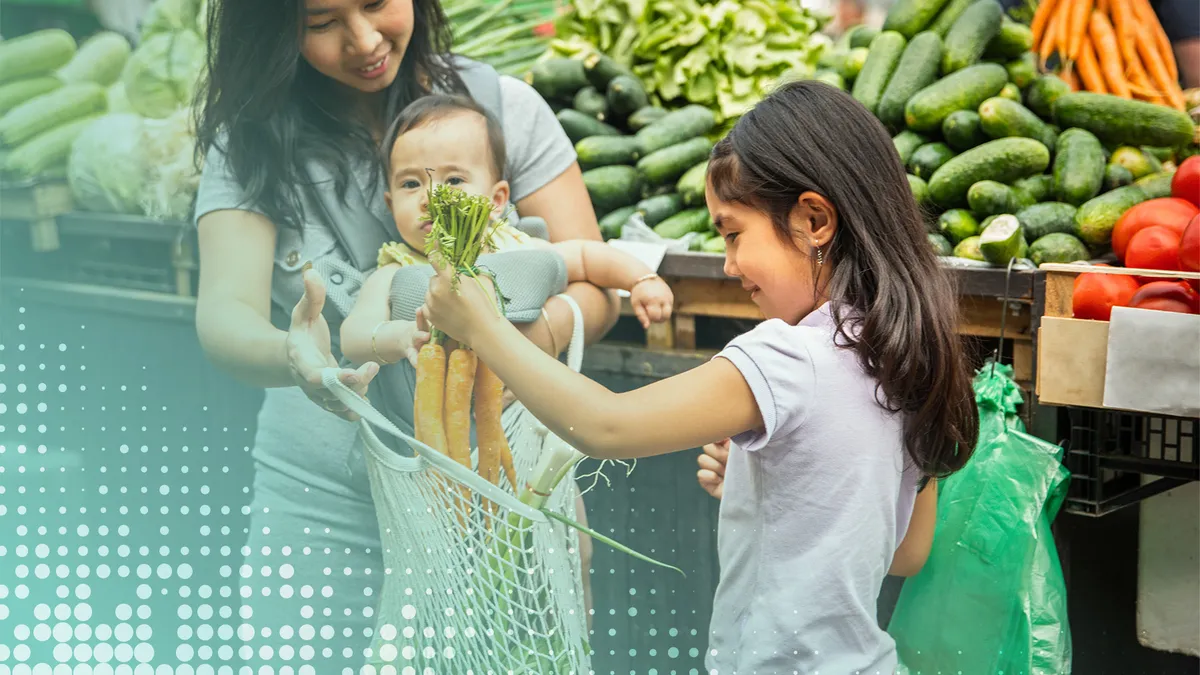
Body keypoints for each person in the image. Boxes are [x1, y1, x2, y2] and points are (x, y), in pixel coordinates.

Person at [422, 80, 980, 673]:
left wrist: (482, 327)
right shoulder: (901, 356)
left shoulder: (787, 357)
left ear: (814, 219)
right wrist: (768, 490)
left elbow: (608, 426)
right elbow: (904, 552)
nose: (729, 264)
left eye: (734, 233)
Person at [191, 0, 619, 669]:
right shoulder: (250, 138)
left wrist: (527, 343)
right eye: (320, 22)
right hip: (323, 507)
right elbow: (224, 317)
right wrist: (297, 353)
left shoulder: (504, 107)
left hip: (508, 497)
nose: (363, 41)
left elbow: (595, 283)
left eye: (374, 3)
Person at [342, 93, 675, 370]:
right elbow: (353, 337)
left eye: (454, 181)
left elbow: (586, 257)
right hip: (426, 436)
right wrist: (398, 337)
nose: (431, 198)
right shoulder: (395, 270)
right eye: (411, 184)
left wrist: (640, 279)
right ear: (390, 203)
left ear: (496, 200)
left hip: (524, 430)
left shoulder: (516, 249)